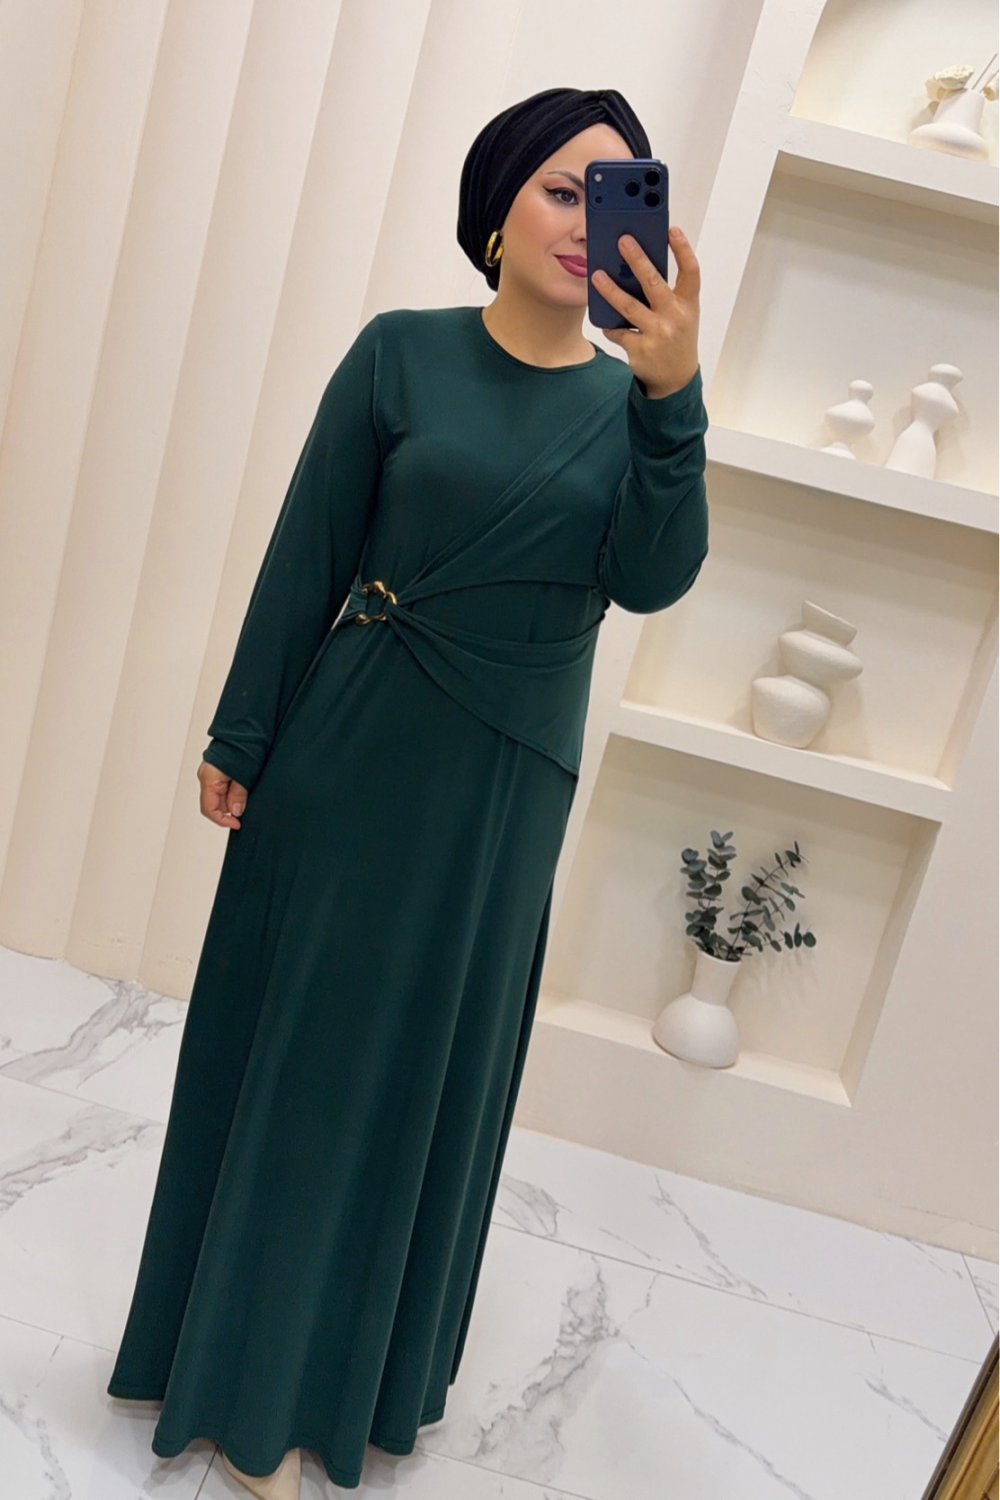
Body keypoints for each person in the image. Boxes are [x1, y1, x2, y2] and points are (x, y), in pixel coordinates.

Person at [105, 85, 709, 1499]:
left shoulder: (635, 405)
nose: (586, 220)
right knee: (299, 1065)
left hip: (501, 796)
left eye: (616, 194)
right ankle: (240, 1380)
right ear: (497, 208)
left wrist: (674, 397)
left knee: (427, 1078)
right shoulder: (399, 353)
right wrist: (243, 732)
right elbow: (307, 552)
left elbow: (652, 578)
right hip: (348, 755)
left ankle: (354, 1384)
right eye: (560, 188)